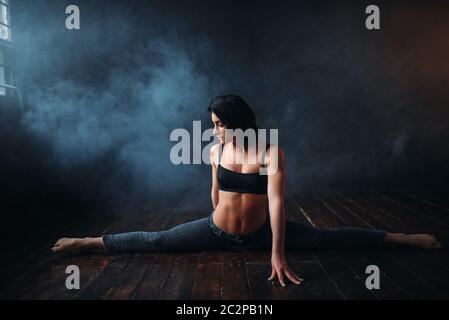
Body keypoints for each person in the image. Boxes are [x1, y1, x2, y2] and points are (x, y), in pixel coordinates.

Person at [52, 95, 442, 287]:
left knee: (330, 238)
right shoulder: (214, 150)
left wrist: (277, 251)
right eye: (214, 124)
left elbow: (276, 202)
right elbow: (215, 193)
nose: (216, 129)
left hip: (261, 235)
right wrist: (217, 224)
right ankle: (84, 241)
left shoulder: (271, 152)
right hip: (216, 230)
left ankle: (405, 239)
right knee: (156, 240)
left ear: (238, 121)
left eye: (220, 123)